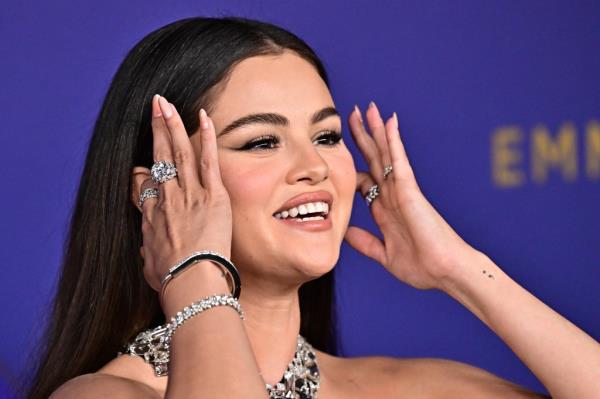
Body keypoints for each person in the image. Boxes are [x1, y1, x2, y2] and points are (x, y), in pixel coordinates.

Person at [24, 16, 599, 399]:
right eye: (261, 142)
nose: (317, 168)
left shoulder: (401, 387)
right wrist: (194, 276)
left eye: (326, 137)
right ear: (159, 192)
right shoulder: (105, 394)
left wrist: (460, 270)